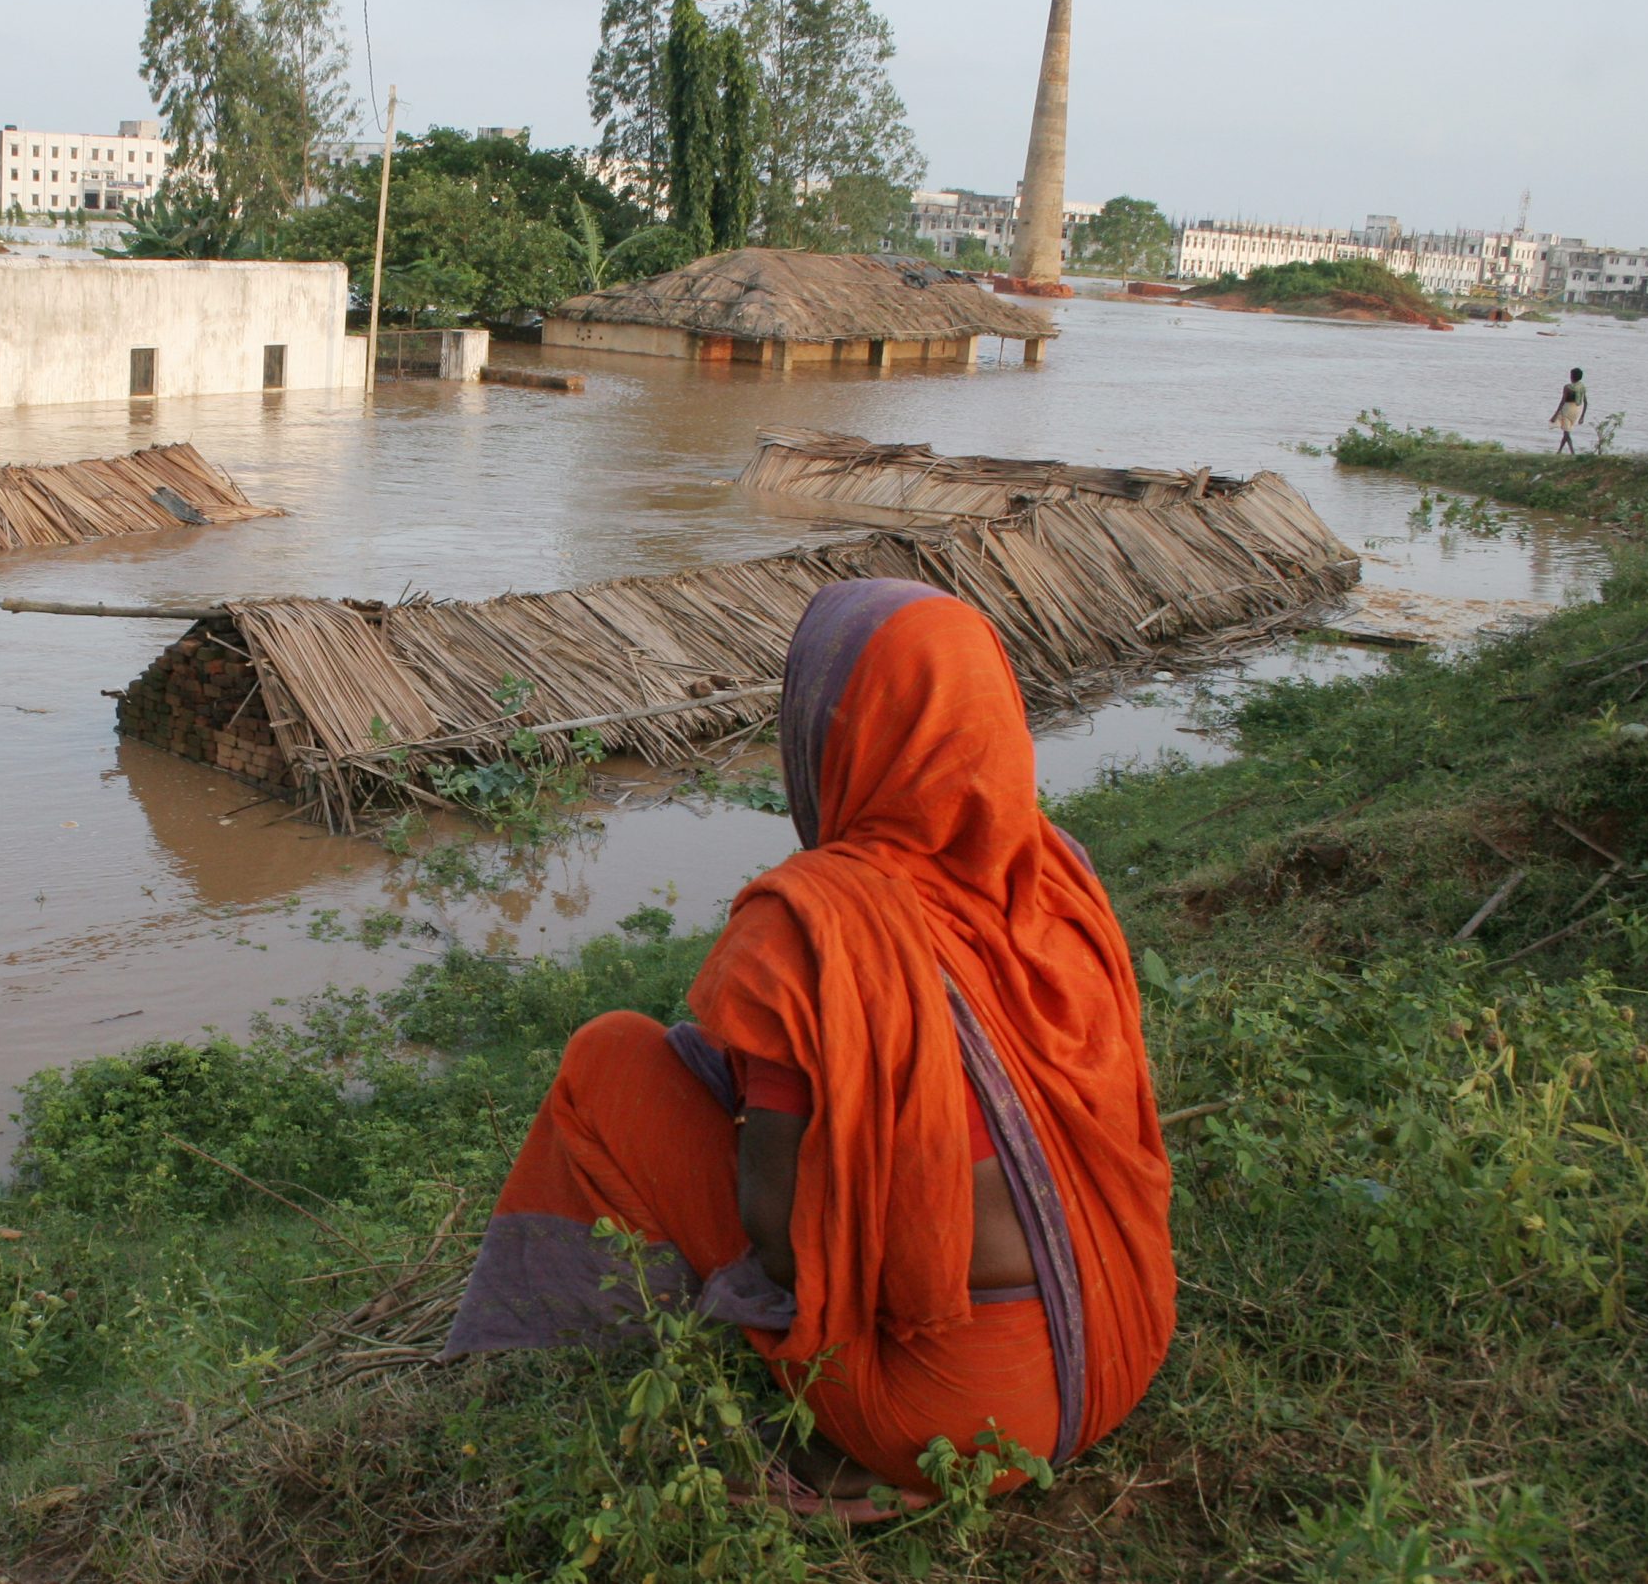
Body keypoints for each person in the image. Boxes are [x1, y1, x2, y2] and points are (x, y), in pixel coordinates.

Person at [444, 580, 1177, 1519]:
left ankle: (817, 1431)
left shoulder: (814, 928)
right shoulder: (1057, 877)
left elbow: (782, 1245)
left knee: (611, 1056)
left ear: (835, 735)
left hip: (951, 1423)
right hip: (1123, 1342)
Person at [1551, 367, 1588, 454]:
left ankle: (1572, 453)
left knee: (1567, 433)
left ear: (1572, 376)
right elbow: (1585, 402)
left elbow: (1563, 401)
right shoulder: (1582, 387)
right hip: (1576, 411)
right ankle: (1559, 451)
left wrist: (1555, 415)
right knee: (1566, 431)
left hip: (1567, 410)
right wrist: (1582, 416)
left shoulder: (1567, 387)